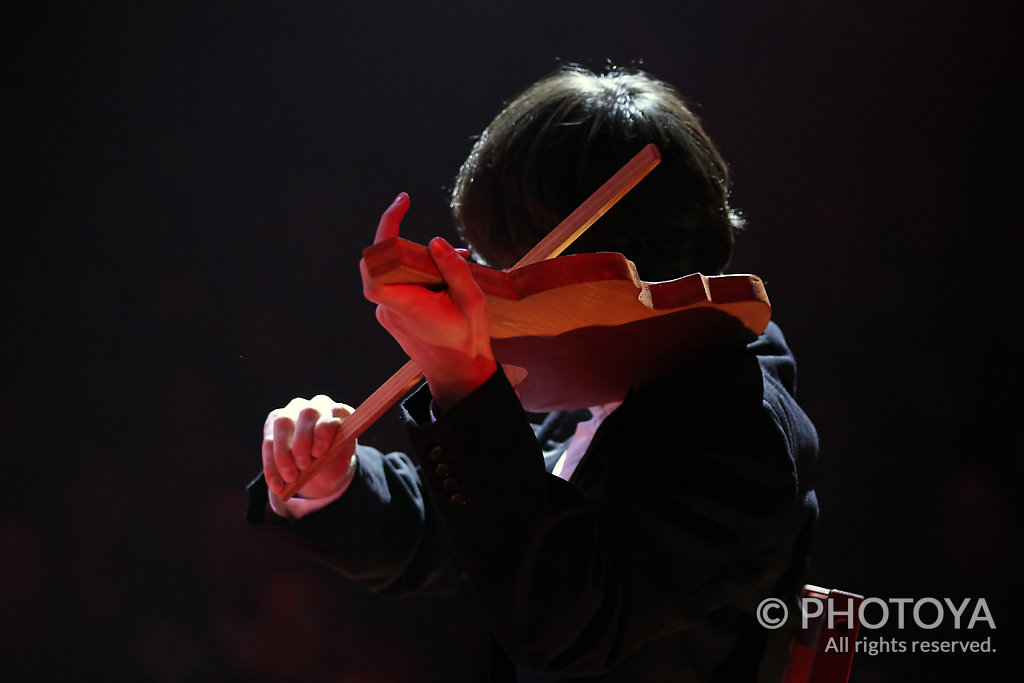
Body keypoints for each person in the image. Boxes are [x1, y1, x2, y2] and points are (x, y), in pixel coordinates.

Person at [247, 65, 818, 682]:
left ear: (606, 279)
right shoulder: (606, 378)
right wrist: (338, 480)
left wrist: (464, 380)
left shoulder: (739, 429)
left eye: (504, 272)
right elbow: (473, 534)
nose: (489, 301)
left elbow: (564, 623)